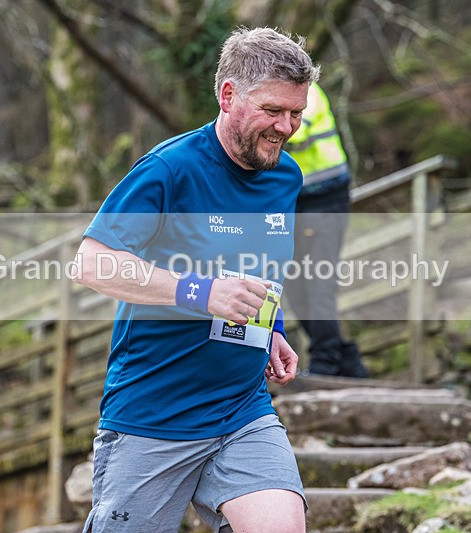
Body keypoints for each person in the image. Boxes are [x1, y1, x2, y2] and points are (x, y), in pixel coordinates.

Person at [73, 27, 319, 533]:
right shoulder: (170, 168)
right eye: (273, 111)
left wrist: (270, 330)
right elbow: (92, 262)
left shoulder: (286, 176)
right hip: (153, 415)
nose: (286, 126)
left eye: (296, 113)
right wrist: (200, 292)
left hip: (241, 408)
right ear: (228, 95)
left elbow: (257, 269)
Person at [284, 83, 369, 378]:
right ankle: (346, 361)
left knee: (318, 282)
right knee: (294, 286)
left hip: (327, 197)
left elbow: (293, 130)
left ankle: (325, 363)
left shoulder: (308, 92)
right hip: (297, 201)